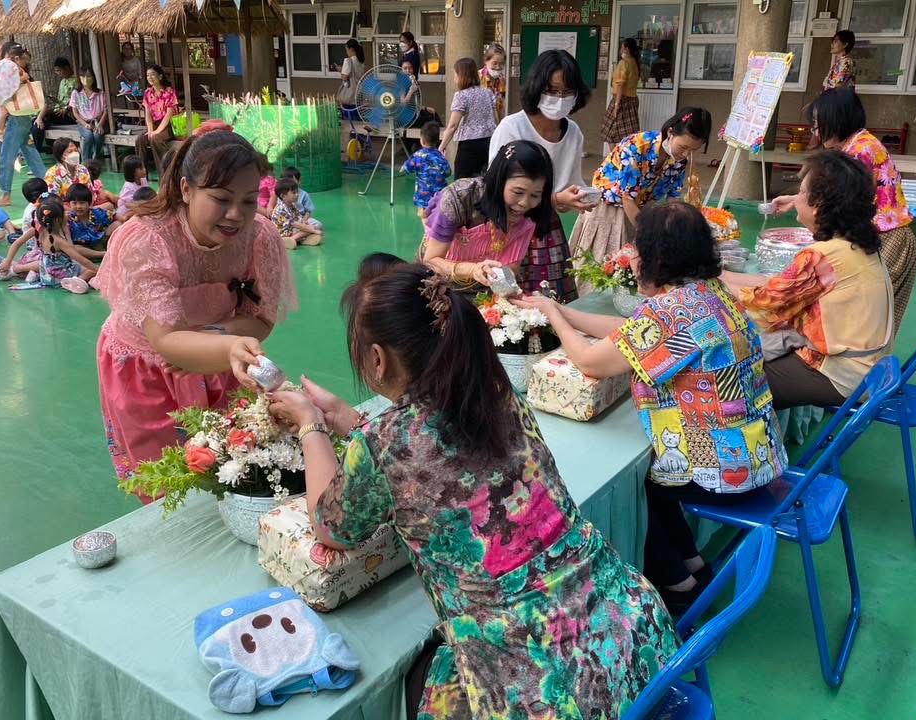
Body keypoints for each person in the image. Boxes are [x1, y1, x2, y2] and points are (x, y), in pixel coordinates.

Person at [265, 262, 677, 719]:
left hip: (552, 694)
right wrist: (352, 422)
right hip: (637, 640)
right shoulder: (498, 394)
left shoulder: (383, 444)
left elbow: (331, 525)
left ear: (377, 358)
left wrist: (311, 426)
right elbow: (431, 455)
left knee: (422, 676)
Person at [513, 201, 788, 612]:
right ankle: (692, 564)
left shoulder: (671, 312)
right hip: (759, 454)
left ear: (656, 257)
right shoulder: (710, 293)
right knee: (657, 481)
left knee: (642, 485)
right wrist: (561, 310)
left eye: (638, 249)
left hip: (726, 474)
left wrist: (554, 318)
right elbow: (630, 331)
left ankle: (678, 585)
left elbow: (591, 362)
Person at [95, 122, 296, 495]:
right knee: (165, 479)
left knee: (233, 464)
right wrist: (226, 346)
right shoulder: (149, 239)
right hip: (149, 367)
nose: (236, 214)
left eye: (249, 200)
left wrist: (216, 340)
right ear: (186, 189)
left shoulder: (260, 236)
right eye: (221, 198)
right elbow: (166, 340)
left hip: (222, 359)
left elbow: (262, 317)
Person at [723, 151, 893, 411]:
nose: (796, 198)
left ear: (819, 203)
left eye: (801, 192)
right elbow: (776, 285)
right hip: (872, 369)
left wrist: (713, 282)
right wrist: (720, 275)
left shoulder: (824, 255)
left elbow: (765, 305)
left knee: (725, 380)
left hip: (841, 374)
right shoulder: (856, 243)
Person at [768, 88, 916, 328]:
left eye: (818, 124)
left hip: (888, 238)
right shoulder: (857, 144)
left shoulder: (859, 151)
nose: (816, 132)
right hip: (883, 235)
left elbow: (841, 200)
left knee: (867, 320)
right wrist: (797, 199)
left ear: (836, 118)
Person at [490, 49, 596, 301]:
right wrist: (557, 199)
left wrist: (578, 198)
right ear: (537, 88)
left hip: (546, 228)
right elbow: (495, 190)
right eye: (552, 91)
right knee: (507, 302)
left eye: (567, 92)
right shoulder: (512, 128)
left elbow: (571, 184)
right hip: (509, 227)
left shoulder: (573, 133)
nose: (560, 99)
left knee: (553, 299)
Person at [570, 107, 712, 294]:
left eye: (693, 150)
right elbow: (627, 198)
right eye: (683, 147)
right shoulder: (637, 145)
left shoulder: (680, 160)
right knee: (602, 270)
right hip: (610, 210)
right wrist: (650, 235)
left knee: (631, 275)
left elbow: (673, 200)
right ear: (670, 133)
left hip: (643, 213)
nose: (686, 154)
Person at [421, 140, 554, 290]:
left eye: (535, 195)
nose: (524, 203)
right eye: (518, 192)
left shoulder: (532, 213)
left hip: (486, 287)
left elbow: (511, 268)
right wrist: (473, 270)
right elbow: (431, 260)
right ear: (499, 182)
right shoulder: (458, 199)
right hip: (438, 283)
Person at [0, 45, 47, 208]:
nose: (25, 63)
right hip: (23, 118)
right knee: (31, 154)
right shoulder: (16, 71)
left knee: (6, 156)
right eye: (24, 60)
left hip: (16, 119)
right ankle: (48, 186)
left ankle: (5, 194)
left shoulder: (13, 71)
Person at [438, 58, 498, 180]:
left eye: (455, 74)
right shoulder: (488, 93)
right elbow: (496, 119)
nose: (454, 78)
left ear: (461, 76)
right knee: (484, 181)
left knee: (463, 182)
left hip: (469, 146)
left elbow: (453, 126)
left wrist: (441, 146)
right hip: (489, 142)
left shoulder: (461, 96)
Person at [35, 197, 98, 293]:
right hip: (61, 275)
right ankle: (76, 281)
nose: (67, 214)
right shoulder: (58, 240)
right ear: (58, 220)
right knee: (91, 270)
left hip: (47, 276)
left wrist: (65, 229)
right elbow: (80, 259)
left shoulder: (42, 233)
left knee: (83, 268)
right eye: (64, 213)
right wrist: (99, 270)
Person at [0, 179, 49, 281]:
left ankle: (23, 269)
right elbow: (18, 242)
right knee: (48, 264)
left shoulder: (48, 208)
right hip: (37, 250)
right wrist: (8, 261)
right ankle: (17, 268)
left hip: (49, 252)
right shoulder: (35, 219)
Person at [135, 65, 178, 176]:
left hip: (168, 125)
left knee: (155, 138)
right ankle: (141, 174)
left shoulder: (169, 92)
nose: (150, 77)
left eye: (153, 75)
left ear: (160, 76)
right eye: (148, 75)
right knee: (140, 139)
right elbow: (148, 115)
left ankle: (165, 174)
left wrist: (157, 131)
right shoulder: (147, 93)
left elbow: (169, 115)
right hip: (154, 125)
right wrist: (150, 130)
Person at [401, 121, 451, 214]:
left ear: (422, 140)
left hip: (423, 196)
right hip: (439, 196)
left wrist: (404, 167)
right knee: (437, 215)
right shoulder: (440, 156)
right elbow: (448, 172)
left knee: (424, 216)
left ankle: (426, 224)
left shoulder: (418, 155)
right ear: (437, 140)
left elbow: (408, 167)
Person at [601, 38, 641, 151]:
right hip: (632, 99)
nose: (620, 49)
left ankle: (614, 157)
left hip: (621, 99)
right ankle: (625, 156)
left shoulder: (624, 63)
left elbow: (620, 85)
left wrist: (617, 104)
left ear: (626, 49)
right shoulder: (635, 62)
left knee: (610, 131)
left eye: (622, 47)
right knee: (628, 133)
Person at [30, 57, 78, 152]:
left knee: (43, 116)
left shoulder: (76, 81)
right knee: (40, 120)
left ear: (67, 68)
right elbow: (61, 101)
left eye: (59, 70)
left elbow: (77, 100)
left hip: (70, 115)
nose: (57, 73)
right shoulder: (62, 82)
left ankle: (39, 147)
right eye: (56, 71)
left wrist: (67, 108)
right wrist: (55, 100)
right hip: (59, 112)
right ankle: (41, 146)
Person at [271, 177, 322, 249]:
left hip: (291, 229)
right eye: (294, 193)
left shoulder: (292, 205)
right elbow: (295, 224)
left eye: (297, 192)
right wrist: (312, 230)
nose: (297, 195)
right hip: (282, 233)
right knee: (309, 229)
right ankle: (290, 240)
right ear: (283, 196)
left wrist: (305, 223)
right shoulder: (281, 209)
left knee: (309, 227)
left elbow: (299, 218)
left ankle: (301, 240)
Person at [70, 67, 107, 162]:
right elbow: (75, 112)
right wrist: (84, 124)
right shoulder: (76, 93)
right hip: (83, 122)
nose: (86, 79)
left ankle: (96, 158)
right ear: (79, 78)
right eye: (83, 76)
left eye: (89, 76)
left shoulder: (100, 93)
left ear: (93, 78)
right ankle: (86, 162)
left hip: (98, 121)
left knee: (98, 135)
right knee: (88, 136)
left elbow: (105, 110)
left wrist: (100, 124)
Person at [67, 183, 115, 255]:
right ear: (69, 204)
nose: (78, 206)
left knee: (117, 224)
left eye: (82, 203)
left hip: (101, 240)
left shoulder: (97, 213)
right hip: (83, 246)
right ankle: (102, 254)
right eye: (74, 203)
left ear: (89, 204)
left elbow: (114, 217)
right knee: (75, 248)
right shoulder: (68, 219)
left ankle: (111, 248)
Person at [479, 43, 507, 117]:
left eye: (501, 64)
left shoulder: (502, 79)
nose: (498, 67)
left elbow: (501, 104)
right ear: (486, 61)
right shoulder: (477, 78)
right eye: (494, 63)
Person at [337, 39, 365, 110]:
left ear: (351, 49)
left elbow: (344, 78)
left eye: (346, 50)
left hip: (350, 96)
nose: (347, 52)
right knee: (357, 114)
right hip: (359, 94)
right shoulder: (361, 62)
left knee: (349, 114)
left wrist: (341, 70)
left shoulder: (348, 61)